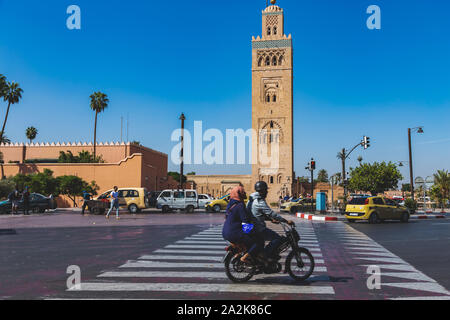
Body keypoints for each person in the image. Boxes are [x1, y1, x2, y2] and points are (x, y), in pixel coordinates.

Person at [248, 181, 295, 260]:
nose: (267, 192)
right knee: (277, 238)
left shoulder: (251, 199)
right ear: (262, 191)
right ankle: (266, 255)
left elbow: (258, 214)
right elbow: (272, 213)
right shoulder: (259, 201)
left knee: (262, 243)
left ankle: (262, 258)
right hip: (257, 228)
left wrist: (270, 219)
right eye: (266, 190)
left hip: (252, 226)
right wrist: (286, 221)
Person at [222, 185, 260, 264]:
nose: (245, 193)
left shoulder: (230, 204)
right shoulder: (240, 205)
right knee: (257, 241)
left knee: (244, 243)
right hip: (234, 233)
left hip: (225, 232)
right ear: (239, 194)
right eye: (243, 192)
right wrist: (252, 231)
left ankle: (237, 255)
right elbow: (245, 221)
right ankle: (244, 258)